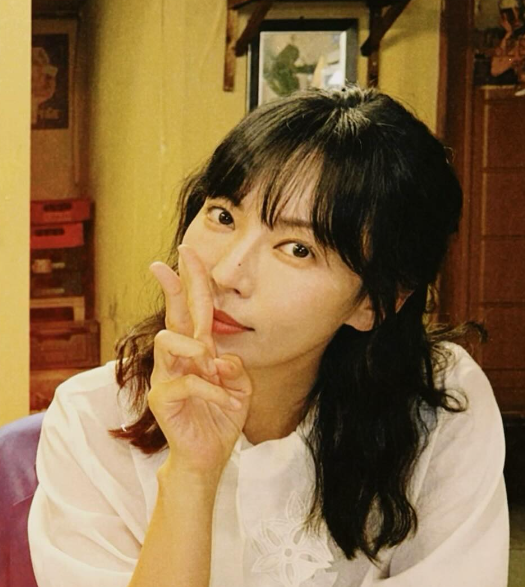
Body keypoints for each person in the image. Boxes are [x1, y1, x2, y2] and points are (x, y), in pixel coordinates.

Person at [28, 85, 509, 587]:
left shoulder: (437, 402)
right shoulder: (92, 418)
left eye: (298, 249)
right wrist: (192, 475)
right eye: (223, 216)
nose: (227, 272)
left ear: (373, 302)